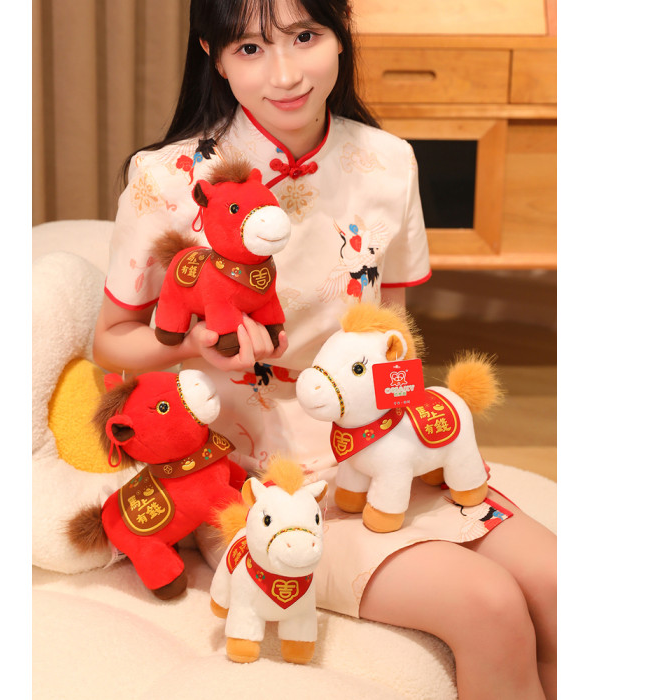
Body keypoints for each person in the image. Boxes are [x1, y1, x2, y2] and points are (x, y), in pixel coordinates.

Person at [93, 1, 557, 698]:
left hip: (377, 445)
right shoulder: (164, 179)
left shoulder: (387, 162)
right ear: (212, 55)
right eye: (250, 49)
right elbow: (111, 341)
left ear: (341, 36)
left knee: (563, 587)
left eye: (305, 37)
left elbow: (392, 335)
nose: (285, 74)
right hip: (253, 479)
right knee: (489, 609)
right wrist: (193, 343)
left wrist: (421, 444)